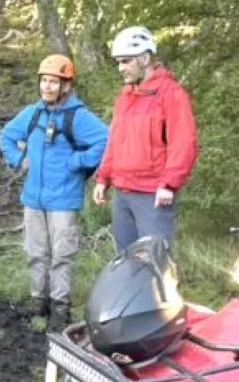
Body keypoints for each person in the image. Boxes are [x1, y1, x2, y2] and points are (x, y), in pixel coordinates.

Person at [0, 54, 109, 330]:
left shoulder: (78, 117)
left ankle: (60, 308)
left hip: (63, 199)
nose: (47, 87)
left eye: (54, 82)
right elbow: (7, 136)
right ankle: (39, 302)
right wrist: (17, 159)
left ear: (67, 86)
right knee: (35, 251)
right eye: (44, 81)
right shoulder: (33, 113)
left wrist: (77, 162)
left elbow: (105, 141)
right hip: (33, 198)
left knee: (61, 254)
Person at [92, 26, 198, 253]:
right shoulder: (126, 96)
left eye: (126, 61)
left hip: (153, 195)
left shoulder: (171, 94)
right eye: (119, 62)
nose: (121, 68)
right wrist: (103, 178)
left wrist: (169, 184)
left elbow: (183, 143)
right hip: (122, 194)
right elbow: (115, 141)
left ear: (144, 58)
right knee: (126, 263)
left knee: (154, 263)